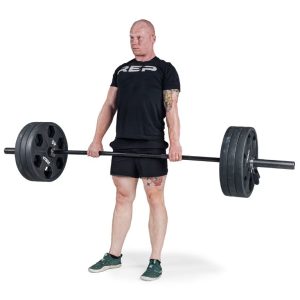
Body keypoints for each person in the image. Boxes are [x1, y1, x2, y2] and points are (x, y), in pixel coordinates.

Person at [87, 19, 182, 281]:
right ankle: (114, 255)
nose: (134, 42)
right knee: (122, 197)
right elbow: (109, 105)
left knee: (155, 198)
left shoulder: (165, 69)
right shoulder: (121, 70)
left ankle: (155, 260)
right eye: (131, 37)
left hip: (152, 144)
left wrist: (175, 143)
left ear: (153, 37)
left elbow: (171, 109)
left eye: (139, 37)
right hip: (124, 144)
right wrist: (97, 139)